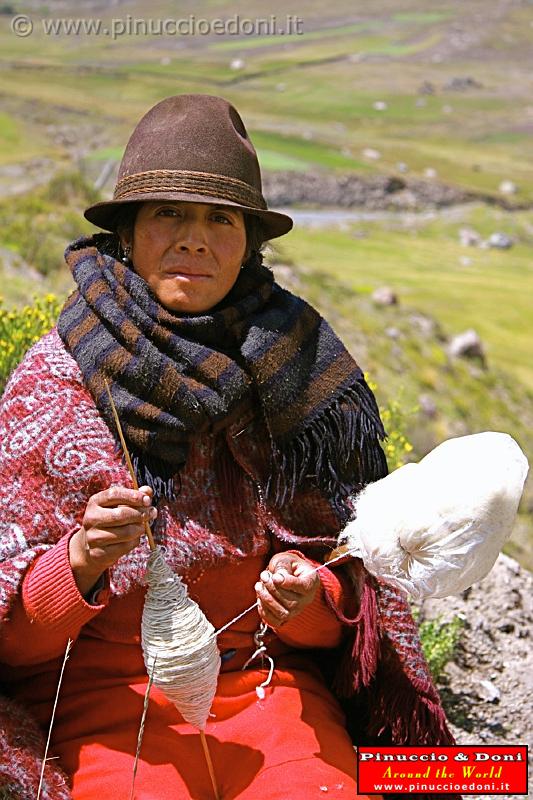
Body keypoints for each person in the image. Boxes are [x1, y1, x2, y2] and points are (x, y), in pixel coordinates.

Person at [0, 94, 458, 800]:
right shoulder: (55, 378)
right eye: (168, 213)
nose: (194, 238)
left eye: (221, 218)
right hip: (106, 700)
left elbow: (354, 596)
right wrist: (81, 562)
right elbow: (9, 639)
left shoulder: (304, 370)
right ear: (126, 231)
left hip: (271, 692)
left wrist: (308, 599)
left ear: (250, 241)